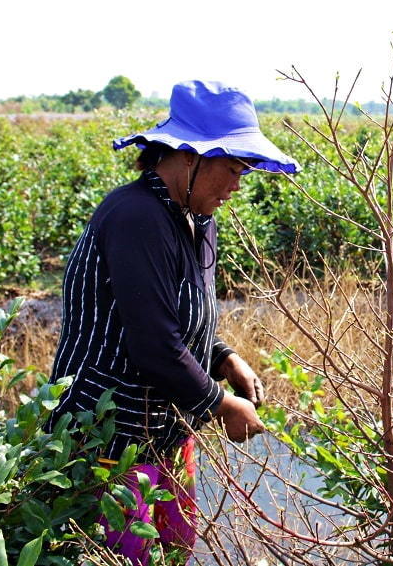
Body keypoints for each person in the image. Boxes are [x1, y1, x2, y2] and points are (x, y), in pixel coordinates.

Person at [45, 80, 299, 564]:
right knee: (123, 555)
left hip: (166, 427)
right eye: (232, 168)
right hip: (108, 431)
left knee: (177, 547)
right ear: (189, 156)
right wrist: (223, 405)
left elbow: (180, 310)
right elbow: (154, 341)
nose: (237, 185)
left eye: (244, 170)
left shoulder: (196, 217)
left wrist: (224, 357)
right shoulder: (136, 215)